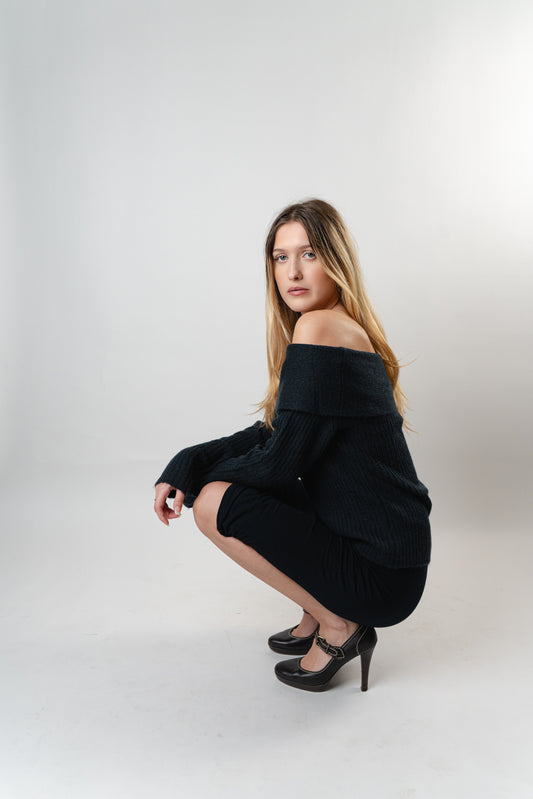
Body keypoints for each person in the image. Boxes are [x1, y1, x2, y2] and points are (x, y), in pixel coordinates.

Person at [153, 198, 432, 693]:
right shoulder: (339, 327)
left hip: (383, 573)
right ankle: (317, 607)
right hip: (387, 552)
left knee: (216, 502)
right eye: (281, 257)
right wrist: (187, 462)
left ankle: (340, 626)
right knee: (230, 486)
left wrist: (199, 482)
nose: (293, 271)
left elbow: (280, 463)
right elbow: (277, 435)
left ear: (336, 260)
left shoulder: (320, 327)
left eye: (309, 254)